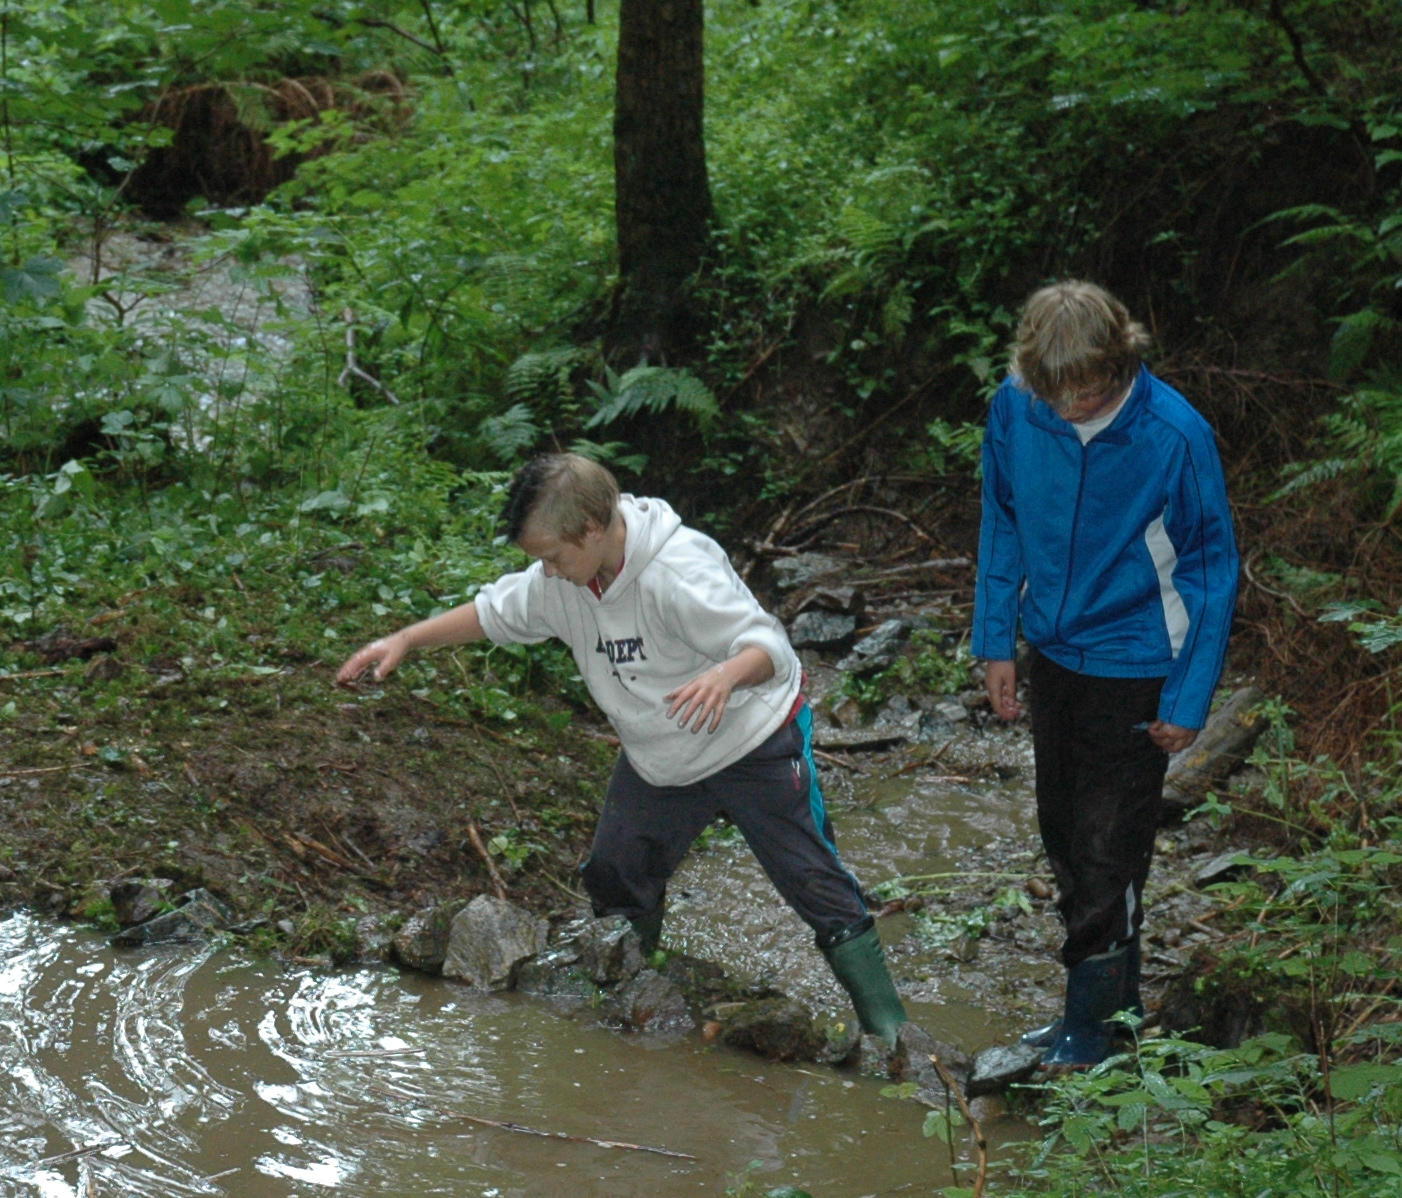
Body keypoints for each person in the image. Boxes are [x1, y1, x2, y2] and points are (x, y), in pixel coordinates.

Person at [336, 452, 912, 1045]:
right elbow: (491, 613)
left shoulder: (679, 569)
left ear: (592, 529)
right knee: (615, 873)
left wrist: (724, 676)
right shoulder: (561, 584)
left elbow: (770, 649)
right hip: (660, 756)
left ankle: (892, 1033)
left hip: (753, 741)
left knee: (811, 878)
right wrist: (405, 639)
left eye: (553, 557)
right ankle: (632, 997)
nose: (547, 572)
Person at [973, 281, 1238, 1069]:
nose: (1070, 411)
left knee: (1106, 848)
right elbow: (1001, 520)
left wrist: (1188, 696)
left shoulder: (1174, 435)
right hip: (1053, 654)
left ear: (1123, 363)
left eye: (1087, 394)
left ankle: (1091, 1032)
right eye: (1055, 397)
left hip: (1137, 661)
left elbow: (1212, 570)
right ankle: (1113, 1010)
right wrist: (996, 641)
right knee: (1063, 832)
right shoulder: (1016, 409)